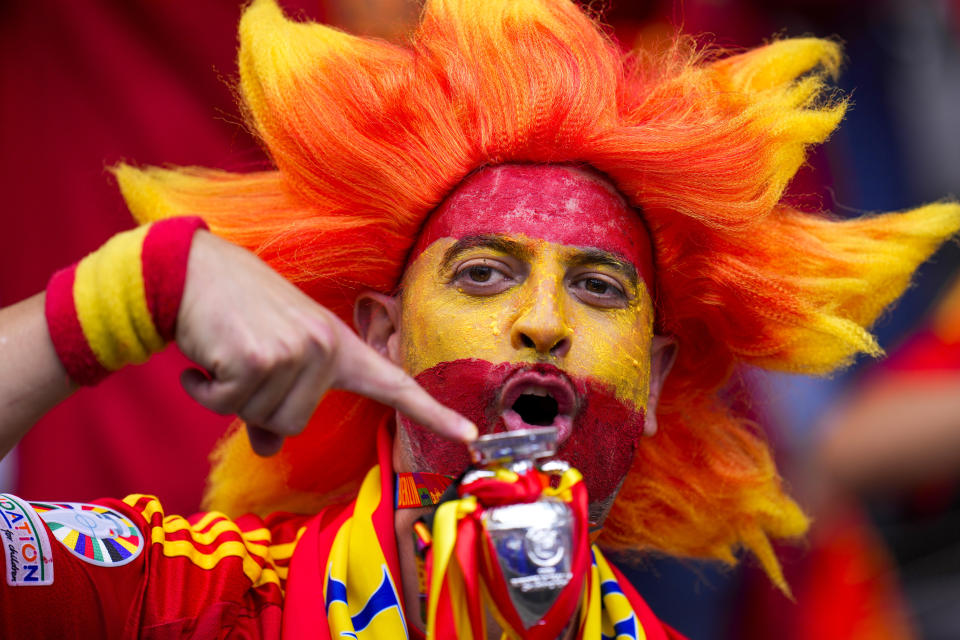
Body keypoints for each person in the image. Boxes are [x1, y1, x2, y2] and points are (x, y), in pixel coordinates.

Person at [1, 0, 959, 637]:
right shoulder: (203, 597)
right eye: (486, 274)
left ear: (657, 379)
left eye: (597, 289)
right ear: (381, 333)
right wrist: (126, 297)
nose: (543, 323)